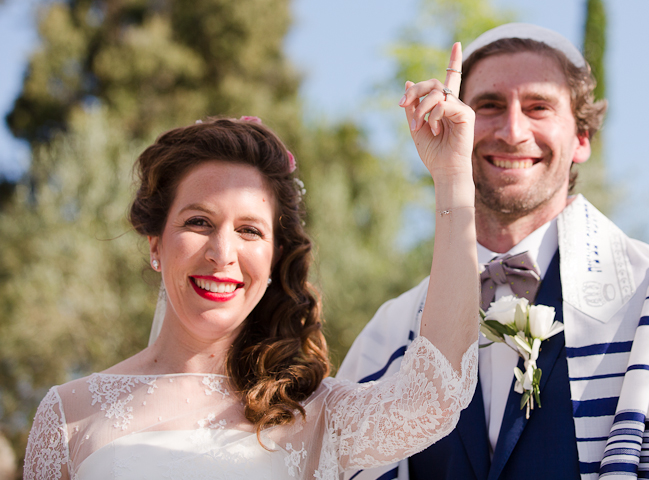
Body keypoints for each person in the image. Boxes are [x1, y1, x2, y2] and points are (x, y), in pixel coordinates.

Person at [23, 45, 480, 479]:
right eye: (199, 222)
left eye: (249, 230)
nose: (222, 254)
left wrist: (453, 176)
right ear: (155, 245)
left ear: (275, 256)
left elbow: (435, 395)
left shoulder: (317, 414)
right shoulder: (68, 415)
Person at [337, 23, 649, 480]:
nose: (512, 131)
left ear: (582, 139)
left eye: (539, 106)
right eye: (488, 105)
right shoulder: (389, 334)